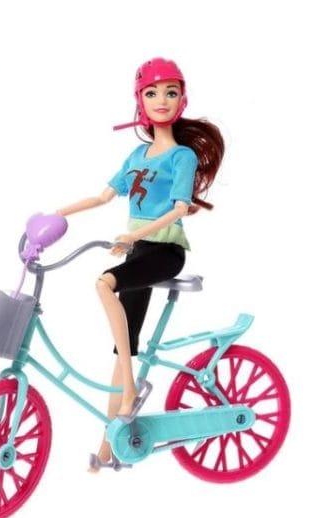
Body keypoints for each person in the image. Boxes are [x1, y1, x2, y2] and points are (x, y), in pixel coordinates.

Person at [56, 58, 225, 472]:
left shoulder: (181, 156)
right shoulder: (136, 154)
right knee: (122, 351)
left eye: (170, 92)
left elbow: (180, 208)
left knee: (103, 283)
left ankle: (130, 391)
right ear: (140, 102)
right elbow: (102, 197)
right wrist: (56, 214)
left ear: (182, 100)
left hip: (165, 251)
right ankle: (106, 447)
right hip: (138, 252)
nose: (161, 99)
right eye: (152, 93)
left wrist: (133, 235)